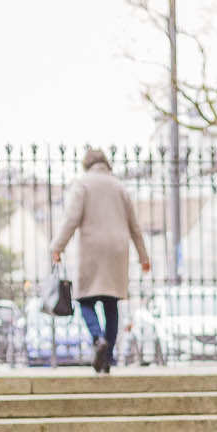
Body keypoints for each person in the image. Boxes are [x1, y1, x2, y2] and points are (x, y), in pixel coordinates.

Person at [50, 147, 151, 374]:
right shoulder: (119, 186)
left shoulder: (82, 184)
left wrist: (57, 247)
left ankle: (98, 340)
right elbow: (134, 226)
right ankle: (108, 355)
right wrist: (144, 258)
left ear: (87, 163)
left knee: (85, 300)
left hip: (92, 248)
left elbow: (71, 219)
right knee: (111, 303)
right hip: (118, 249)